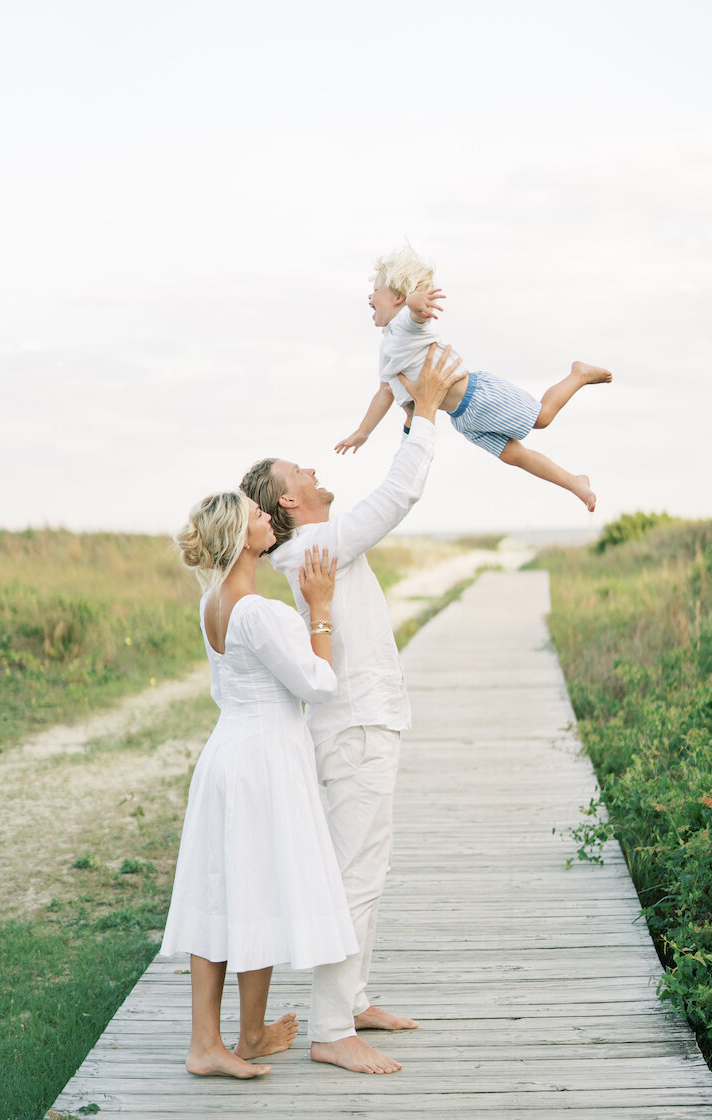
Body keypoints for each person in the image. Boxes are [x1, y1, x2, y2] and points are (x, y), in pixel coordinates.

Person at [241, 343, 465, 1075]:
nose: (312, 470)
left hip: (366, 723)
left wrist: (410, 417)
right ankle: (333, 1028)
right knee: (355, 875)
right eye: (299, 473)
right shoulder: (316, 547)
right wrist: (423, 412)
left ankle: (354, 999)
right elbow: (397, 496)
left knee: (371, 864)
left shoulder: (317, 542)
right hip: (357, 729)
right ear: (291, 503)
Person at [159, 490, 357, 1079]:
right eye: (257, 514)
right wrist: (320, 608)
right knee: (251, 890)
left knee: (231, 892)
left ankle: (241, 1035)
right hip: (260, 762)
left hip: (229, 752)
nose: (268, 516)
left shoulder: (213, 602)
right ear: (241, 538)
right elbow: (318, 684)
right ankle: (213, 1044)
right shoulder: (258, 612)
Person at [334, 244, 613, 512]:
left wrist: (414, 301)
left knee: (542, 417)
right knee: (514, 456)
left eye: (375, 291)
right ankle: (575, 482)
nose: (369, 297)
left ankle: (579, 374)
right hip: (462, 419)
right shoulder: (387, 346)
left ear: (398, 297)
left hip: (479, 395)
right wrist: (363, 432)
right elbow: (384, 392)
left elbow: (416, 314)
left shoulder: (406, 325)